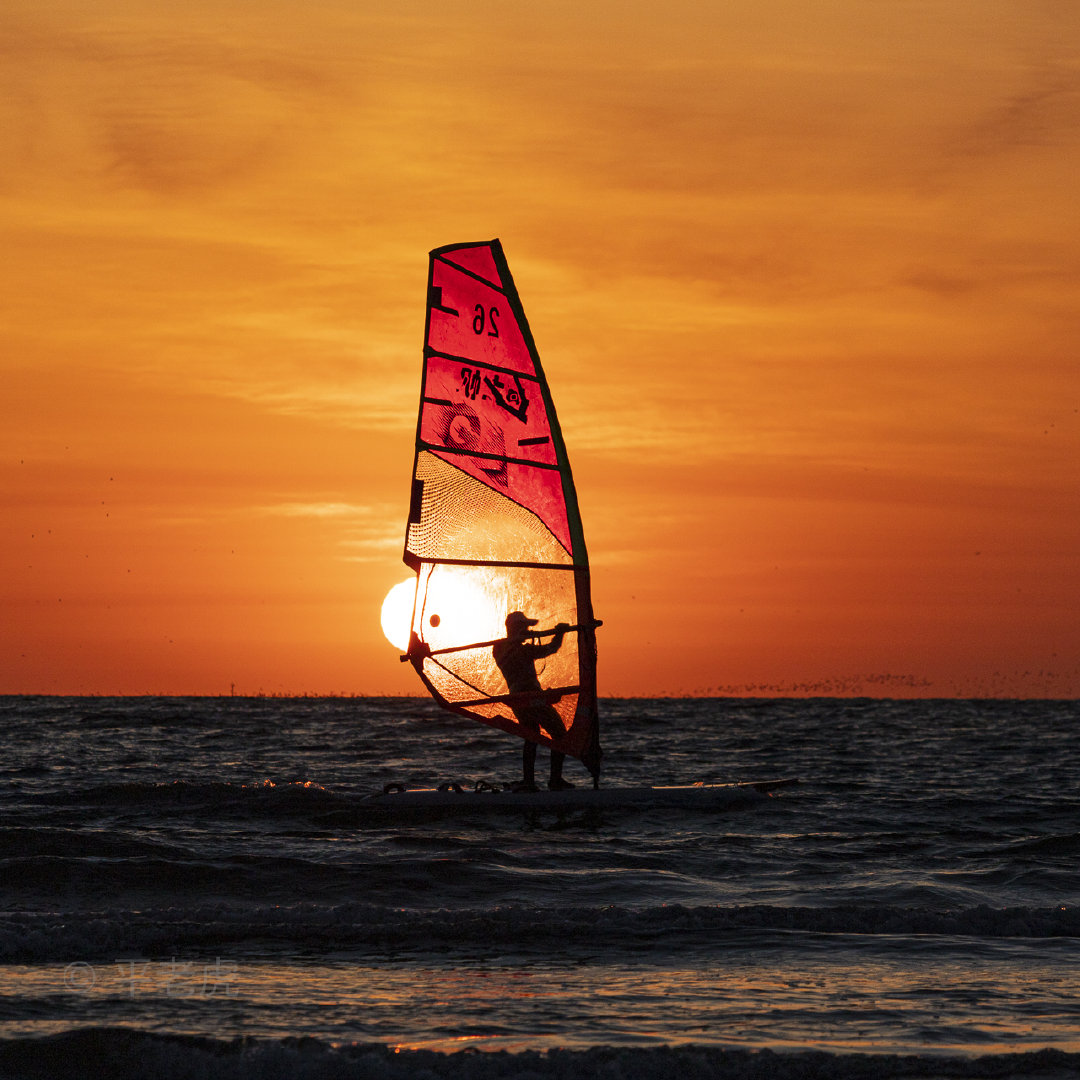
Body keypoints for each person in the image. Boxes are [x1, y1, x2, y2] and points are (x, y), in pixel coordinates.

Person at [493, 611, 573, 791]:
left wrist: (555, 634)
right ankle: (555, 780)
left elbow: (548, 648)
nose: (528, 629)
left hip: (518, 699)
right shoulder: (510, 648)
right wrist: (559, 633)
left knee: (532, 735)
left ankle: (529, 781)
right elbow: (551, 648)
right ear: (515, 628)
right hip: (530, 696)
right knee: (559, 733)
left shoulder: (501, 648)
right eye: (524, 627)